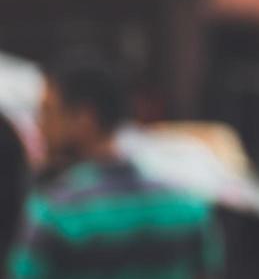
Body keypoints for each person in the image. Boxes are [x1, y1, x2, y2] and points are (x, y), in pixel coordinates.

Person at [6, 51, 223, 279]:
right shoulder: (188, 207)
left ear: (84, 118)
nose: (40, 125)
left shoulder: (56, 214)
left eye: (48, 112)